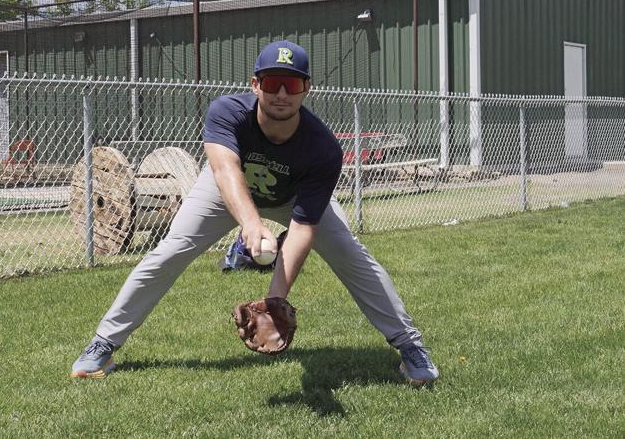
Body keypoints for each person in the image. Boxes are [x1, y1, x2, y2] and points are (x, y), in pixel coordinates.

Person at [71, 40, 439, 386]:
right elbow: (225, 172)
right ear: (255, 84)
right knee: (169, 251)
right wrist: (250, 224)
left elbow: (302, 229)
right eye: (273, 82)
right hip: (225, 192)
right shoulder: (227, 111)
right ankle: (104, 344)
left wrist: (274, 301)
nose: (281, 93)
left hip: (291, 196)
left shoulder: (322, 147)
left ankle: (409, 346)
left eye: (292, 85)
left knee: (353, 255)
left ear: (306, 89)